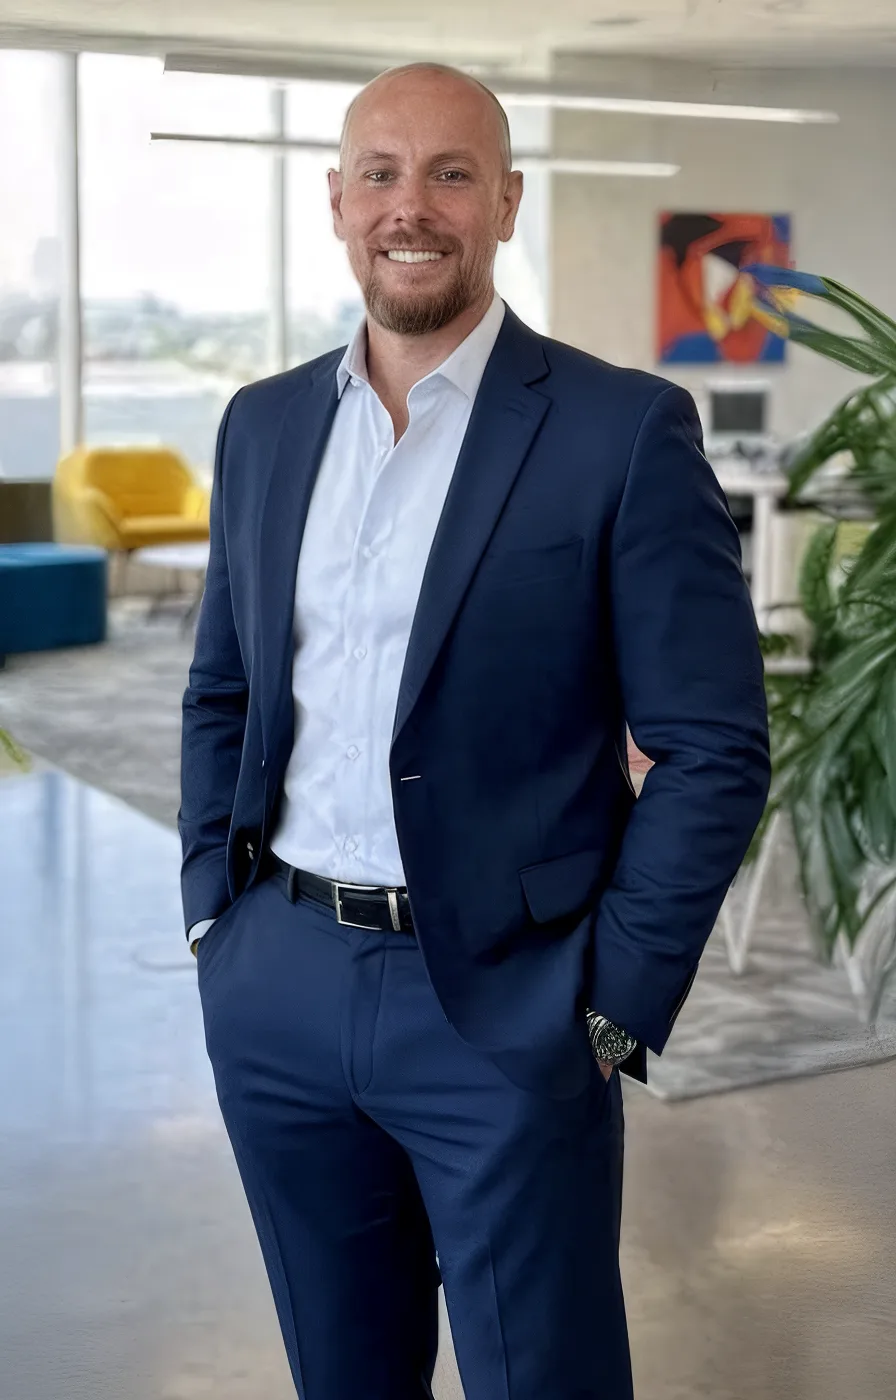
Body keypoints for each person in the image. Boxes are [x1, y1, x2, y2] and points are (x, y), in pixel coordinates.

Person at [179, 61, 770, 1400]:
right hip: (277, 982)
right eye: (381, 174)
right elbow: (225, 687)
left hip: (511, 1008)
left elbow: (714, 744)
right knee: (344, 1375)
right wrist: (214, 917)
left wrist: (614, 1004)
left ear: (507, 202)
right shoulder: (264, 428)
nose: (413, 205)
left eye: (452, 173)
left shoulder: (620, 432)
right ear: (336, 202)